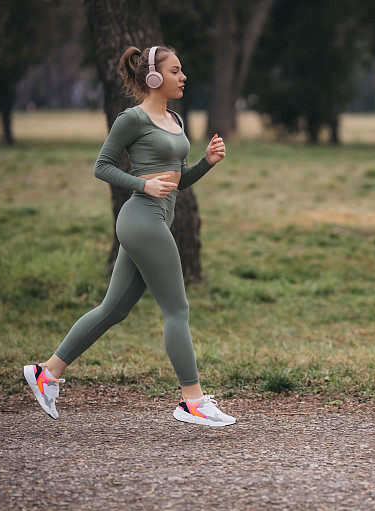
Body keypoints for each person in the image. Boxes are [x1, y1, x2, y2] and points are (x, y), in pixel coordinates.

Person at [23, 44, 235, 427]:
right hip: (141, 219)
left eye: (182, 70)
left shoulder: (175, 119)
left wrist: (207, 162)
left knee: (114, 309)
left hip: (157, 218)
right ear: (154, 78)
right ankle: (193, 401)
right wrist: (141, 184)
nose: (183, 76)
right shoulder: (131, 119)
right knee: (176, 309)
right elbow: (102, 167)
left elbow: (177, 180)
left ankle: (46, 373)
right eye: (175, 71)